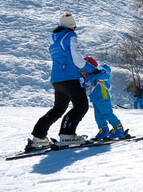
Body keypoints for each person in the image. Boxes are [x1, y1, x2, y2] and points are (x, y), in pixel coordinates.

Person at [30, 13, 97, 148]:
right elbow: (77, 60)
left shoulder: (53, 39)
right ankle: (67, 135)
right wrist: (93, 69)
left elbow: (65, 59)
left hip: (57, 79)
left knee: (58, 109)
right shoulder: (70, 36)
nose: (75, 29)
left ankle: (38, 137)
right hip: (69, 78)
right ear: (72, 26)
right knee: (81, 105)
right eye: (74, 27)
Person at [80, 57, 125, 139]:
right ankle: (104, 130)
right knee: (98, 116)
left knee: (107, 113)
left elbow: (106, 73)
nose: (82, 72)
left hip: (103, 97)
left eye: (84, 69)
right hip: (95, 100)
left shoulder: (99, 74)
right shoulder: (87, 78)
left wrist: (98, 71)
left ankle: (119, 129)